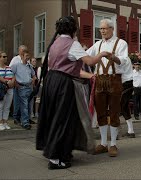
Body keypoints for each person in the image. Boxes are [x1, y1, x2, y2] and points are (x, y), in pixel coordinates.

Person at [36, 16, 111, 170]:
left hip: (51, 81)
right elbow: (89, 62)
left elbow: (62, 66)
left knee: (54, 117)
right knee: (63, 119)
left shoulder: (54, 43)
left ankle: (61, 152)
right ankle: (56, 158)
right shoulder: (72, 44)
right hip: (63, 84)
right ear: (73, 29)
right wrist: (102, 54)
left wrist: (90, 75)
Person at [86, 19, 128, 157]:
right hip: (99, 80)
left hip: (114, 79)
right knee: (101, 111)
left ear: (112, 29)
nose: (102, 31)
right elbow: (86, 56)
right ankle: (103, 144)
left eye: (104, 28)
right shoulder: (97, 44)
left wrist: (110, 56)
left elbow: (123, 60)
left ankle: (113, 144)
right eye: (100, 29)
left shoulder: (121, 43)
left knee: (114, 111)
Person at [11, 50, 36, 130]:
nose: (27, 58)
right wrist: (15, 83)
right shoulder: (16, 65)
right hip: (21, 87)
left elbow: (34, 75)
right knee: (24, 105)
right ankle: (25, 122)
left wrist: (33, 81)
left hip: (29, 87)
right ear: (22, 56)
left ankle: (24, 119)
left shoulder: (29, 66)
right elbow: (11, 74)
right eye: (26, 56)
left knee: (28, 105)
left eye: (28, 56)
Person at [0, 51, 15, 130]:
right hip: (1, 89)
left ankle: (5, 122)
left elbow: (13, 76)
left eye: (6, 56)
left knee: (7, 106)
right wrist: (6, 82)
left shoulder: (8, 67)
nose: (6, 58)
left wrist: (12, 82)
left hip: (9, 89)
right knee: (0, 106)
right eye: (4, 56)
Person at [9, 45, 28, 124]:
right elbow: (11, 71)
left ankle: (23, 117)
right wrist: (15, 81)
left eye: (25, 50)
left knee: (25, 103)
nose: (24, 51)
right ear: (19, 50)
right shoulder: (15, 59)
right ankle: (16, 117)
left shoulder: (27, 59)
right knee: (17, 102)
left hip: (25, 85)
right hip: (17, 84)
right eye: (23, 50)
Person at [120, 55, 135, 138]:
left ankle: (115, 132)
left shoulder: (122, 58)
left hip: (125, 84)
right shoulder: (126, 57)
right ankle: (131, 131)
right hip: (128, 83)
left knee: (118, 107)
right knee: (124, 108)